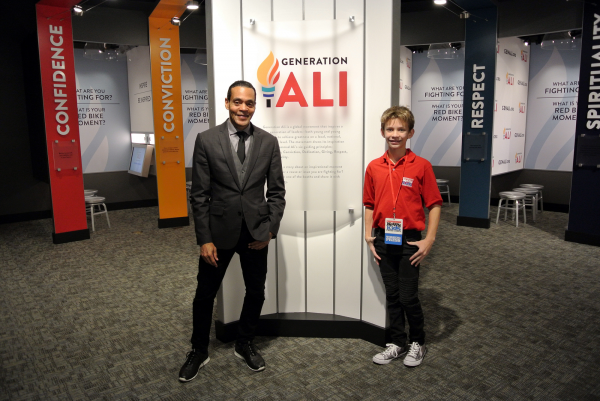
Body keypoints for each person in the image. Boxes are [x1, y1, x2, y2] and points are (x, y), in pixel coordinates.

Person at [179, 80, 286, 382]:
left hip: (256, 234)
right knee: (204, 295)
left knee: (256, 291)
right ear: (227, 103)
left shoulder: (268, 142)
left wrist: (269, 231)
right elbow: (199, 195)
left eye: (249, 103)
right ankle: (199, 350)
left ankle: (245, 343)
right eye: (237, 102)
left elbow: (277, 192)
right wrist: (204, 239)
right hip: (218, 234)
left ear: (255, 106)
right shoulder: (206, 140)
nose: (243, 108)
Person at [363, 106, 442, 368]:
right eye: (390, 129)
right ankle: (397, 342)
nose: (394, 134)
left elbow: (434, 204)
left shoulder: (421, 166)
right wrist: (368, 236)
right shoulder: (374, 167)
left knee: (409, 296)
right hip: (384, 239)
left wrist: (429, 239)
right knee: (393, 295)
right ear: (383, 131)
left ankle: (417, 342)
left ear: (410, 133)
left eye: (400, 129)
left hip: (410, 240)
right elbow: (369, 203)